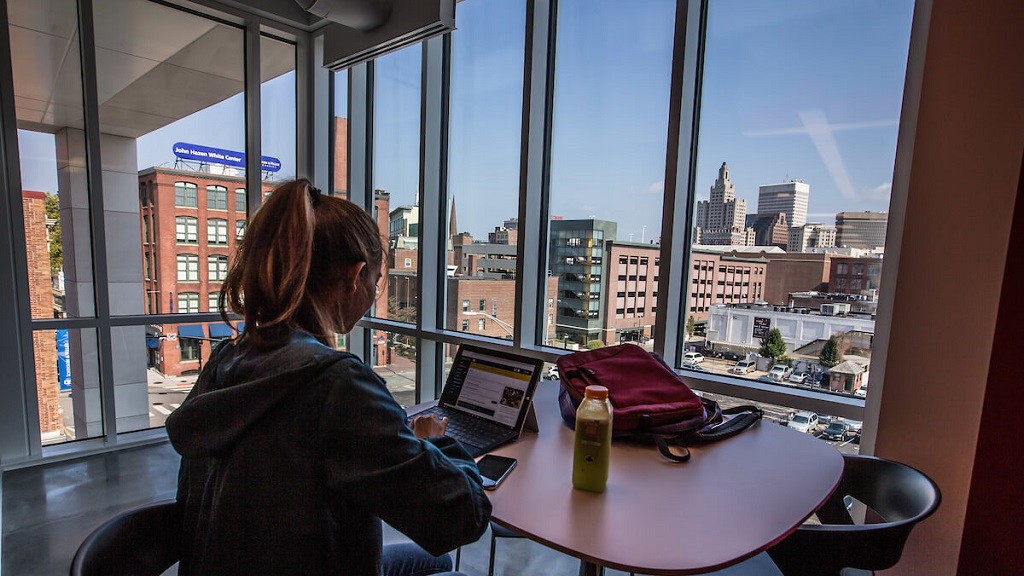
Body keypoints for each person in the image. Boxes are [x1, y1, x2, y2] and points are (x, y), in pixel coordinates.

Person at [165, 179, 491, 576]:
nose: (373, 293)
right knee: (452, 570)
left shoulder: (226, 359)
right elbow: (464, 516)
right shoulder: (337, 384)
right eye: (375, 280)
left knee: (432, 561)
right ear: (356, 276)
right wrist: (437, 444)